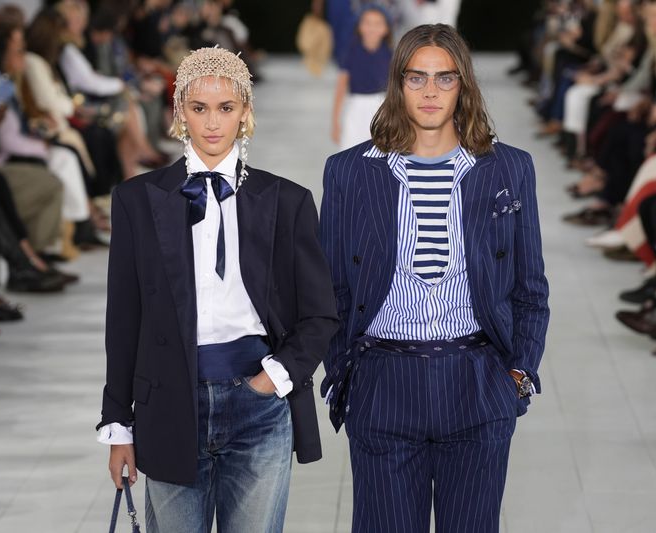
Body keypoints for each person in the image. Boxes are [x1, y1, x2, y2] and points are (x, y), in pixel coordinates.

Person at [96, 46, 338, 533]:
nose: (212, 123)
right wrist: (118, 425)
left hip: (258, 406)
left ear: (246, 111)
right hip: (168, 403)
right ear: (179, 110)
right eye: (198, 108)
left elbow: (321, 313)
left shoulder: (285, 201)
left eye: (226, 108)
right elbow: (124, 319)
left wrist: (273, 379)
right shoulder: (137, 201)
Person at [319, 24, 550, 533]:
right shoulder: (350, 172)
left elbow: (530, 288)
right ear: (397, 84)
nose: (429, 92)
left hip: (476, 379)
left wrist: (517, 377)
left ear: (463, 85)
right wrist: (346, 378)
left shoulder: (509, 169)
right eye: (416, 77)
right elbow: (331, 287)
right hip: (383, 382)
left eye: (444, 79)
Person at [331, 4, 392, 150]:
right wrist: (335, 121)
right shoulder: (350, 52)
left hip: (381, 108)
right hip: (355, 107)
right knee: (350, 152)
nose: (372, 28)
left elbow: (396, 89)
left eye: (378, 23)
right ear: (359, 26)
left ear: (386, 28)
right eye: (367, 23)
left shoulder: (391, 55)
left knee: (379, 154)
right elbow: (341, 86)